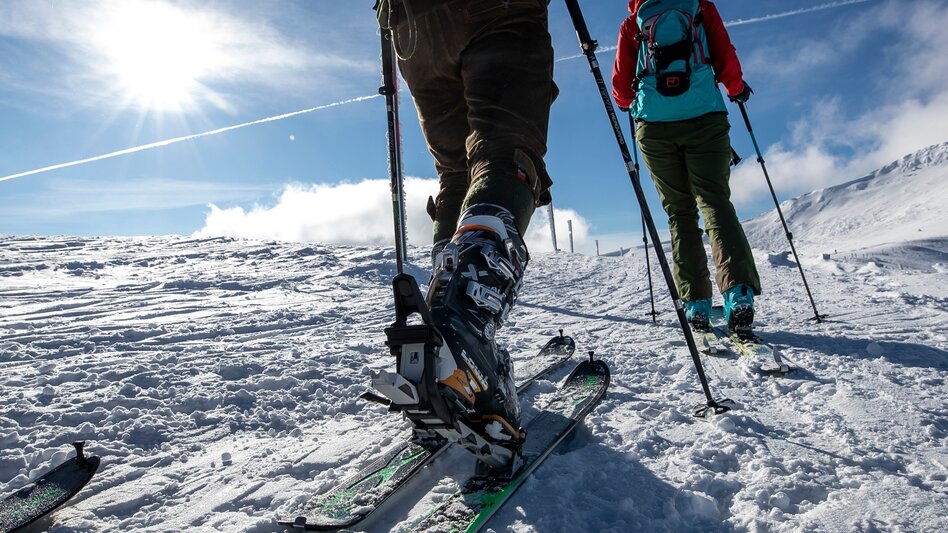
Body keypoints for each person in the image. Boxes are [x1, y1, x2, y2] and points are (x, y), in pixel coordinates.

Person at [378, 0, 556, 469]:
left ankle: (440, 337)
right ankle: (463, 332)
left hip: (410, 22)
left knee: (457, 174)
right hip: (496, 9)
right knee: (503, 153)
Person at [611, 0, 761, 333]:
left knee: (680, 212)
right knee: (715, 202)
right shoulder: (699, 7)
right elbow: (725, 56)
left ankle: (695, 304)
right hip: (705, 116)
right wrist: (736, 89)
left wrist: (630, 103)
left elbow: (621, 88)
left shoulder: (633, 21)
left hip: (654, 125)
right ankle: (739, 294)